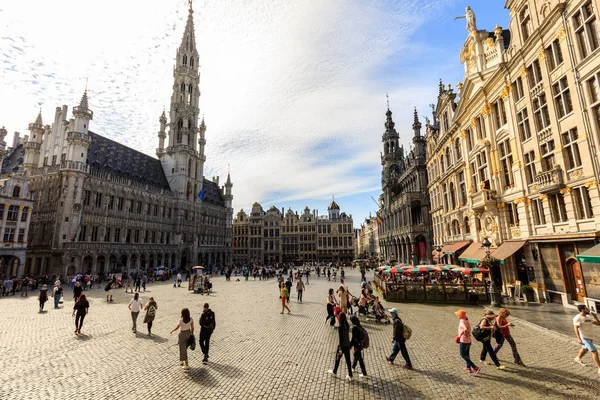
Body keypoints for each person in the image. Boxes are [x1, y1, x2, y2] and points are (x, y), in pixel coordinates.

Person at [573, 304, 600, 373]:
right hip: (584, 337)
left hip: (590, 336)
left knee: (585, 348)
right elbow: (576, 328)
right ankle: (599, 368)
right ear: (582, 310)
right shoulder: (577, 318)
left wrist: (595, 317)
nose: (588, 309)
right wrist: (578, 338)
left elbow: (598, 324)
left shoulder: (588, 316)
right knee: (595, 352)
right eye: (586, 308)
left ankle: (577, 358)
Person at [328, 311, 353, 381]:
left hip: (342, 346)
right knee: (348, 361)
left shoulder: (340, 327)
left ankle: (334, 371)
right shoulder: (347, 325)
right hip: (347, 345)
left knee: (337, 359)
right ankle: (350, 374)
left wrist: (340, 349)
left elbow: (340, 338)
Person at [455, 309, 479, 375]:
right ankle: (468, 367)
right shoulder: (466, 320)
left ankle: (475, 367)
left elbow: (465, 329)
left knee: (462, 354)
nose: (457, 316)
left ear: (460, 316)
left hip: (463, 340)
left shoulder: (462, 321)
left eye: (458, 315)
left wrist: (462, 335)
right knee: (467, 354)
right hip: (468, 340)